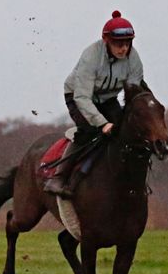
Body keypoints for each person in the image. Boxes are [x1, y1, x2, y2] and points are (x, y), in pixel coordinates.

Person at [43, 11, 145, 196]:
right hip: (78, 96)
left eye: (128, 43)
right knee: (89, 132)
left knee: (123, 132)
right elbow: (82, 97)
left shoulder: (133, 59)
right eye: (118, 44)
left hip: (107, 99)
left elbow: (133, 91)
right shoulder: (91, 56)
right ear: (106, 41)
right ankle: (58, 178)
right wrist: (102, 123)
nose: (123, 48)